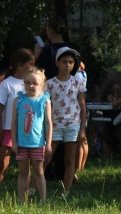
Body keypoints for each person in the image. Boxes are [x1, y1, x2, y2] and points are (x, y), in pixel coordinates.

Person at [0, 48, 35, 191]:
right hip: (9, 130)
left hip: (26, 130)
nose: (33, 67)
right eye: (31, 64)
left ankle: (26, 193)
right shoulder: (6, 84)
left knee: (25, 165)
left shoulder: (31, 84)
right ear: (20, 65)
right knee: (3, 163)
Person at [45, 47, 86, 197]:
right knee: (46, 157)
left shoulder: (77, 82)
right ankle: (34, 187)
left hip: (73, 125)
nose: (68, 65)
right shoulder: (49, 83)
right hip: (54, 124)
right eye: (64, 61)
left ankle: (66, 191)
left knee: (69, 159)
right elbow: (44, 104)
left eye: (71, 62)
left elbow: (82, 106)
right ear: (57, 63)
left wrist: (82, 129)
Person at [11, 67, 52, 203]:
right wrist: (14, 142)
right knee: (23, 172)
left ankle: (43, 200)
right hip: (22, 143)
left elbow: (48, 123)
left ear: (42, 85)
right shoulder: (18, 100)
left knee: (39, 172)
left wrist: (49, 143)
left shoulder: (44, 101)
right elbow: (14, 123)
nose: (31, 85)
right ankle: (22, 201)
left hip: (38, 144)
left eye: (34, 83)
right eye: (27, 82)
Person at [75, 61, 89, 176]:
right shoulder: (83, 73)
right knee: (83, 139)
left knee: (80, 140)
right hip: (83, 107)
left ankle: (78, 167)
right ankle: (81, 167)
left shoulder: (77, 75)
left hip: (79, 108)